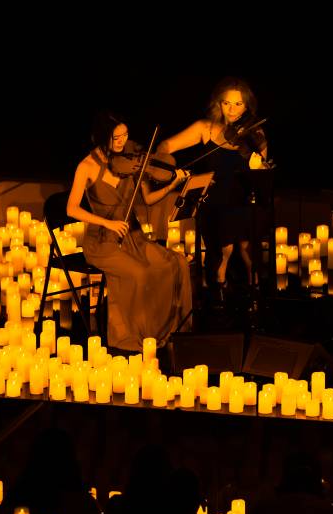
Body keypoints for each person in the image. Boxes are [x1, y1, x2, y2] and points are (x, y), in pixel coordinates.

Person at [66, 112, 193, 352]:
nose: (122, 142)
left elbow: (148, 198)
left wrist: (172, 184)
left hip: (133, 236)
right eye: (116, 138)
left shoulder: (131, 163)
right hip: (103, 241)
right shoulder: (86, 166)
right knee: (140, 274)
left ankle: (173, 330)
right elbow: (71, 209)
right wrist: (108, 223)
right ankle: (136, 335)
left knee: (176, 263)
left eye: (125, 135)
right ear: (101, 138)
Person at [157, 77, 268, 295]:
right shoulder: (205, 128)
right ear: (219, 103)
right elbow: (165, 146)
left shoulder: (255, 134)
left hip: (243, 200)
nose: (232, 110)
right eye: (227, 103)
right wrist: (166, 169)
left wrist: (258, 167)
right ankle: (222, 281)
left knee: (244, 231)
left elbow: (262, 178)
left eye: (238, 104)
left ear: (247, 106)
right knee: (227, 226)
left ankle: (247, 285)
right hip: (212, 201)